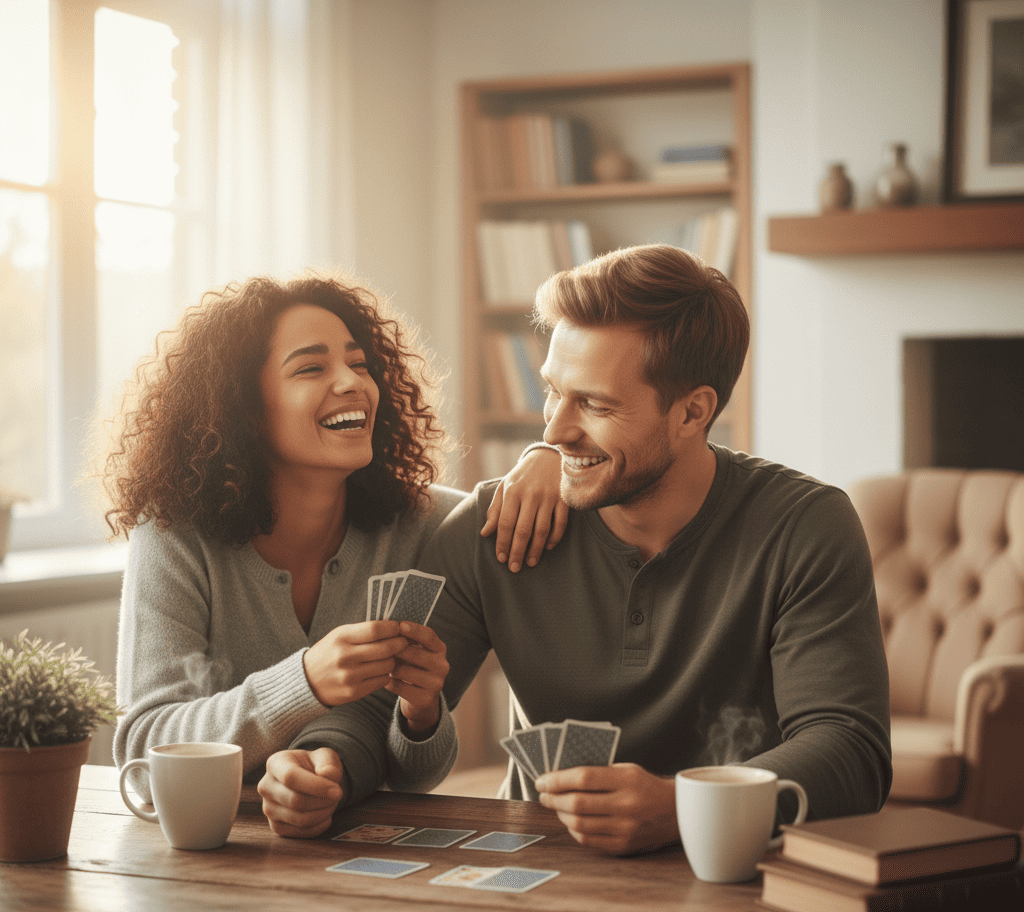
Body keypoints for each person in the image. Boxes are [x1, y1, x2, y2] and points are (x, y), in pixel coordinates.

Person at [401, 244, 891, 855]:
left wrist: (687, 806)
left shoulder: (805, 526)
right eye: (554, 391)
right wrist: (328, 760)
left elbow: (852, 754)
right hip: (538, 870)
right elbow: (380, 718)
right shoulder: (500, 521)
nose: (553, 430)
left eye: (595, 404)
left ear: (692, 412)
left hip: (733, 867)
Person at [105, 272, 563, 823]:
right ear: (245, 409)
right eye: (311, 368)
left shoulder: (430, 524)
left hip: (349, 834)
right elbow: (144, 751)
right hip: (215, 842)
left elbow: (415, 774)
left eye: (360, 364)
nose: (352, 382)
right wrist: (305, 682)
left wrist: (550, 455)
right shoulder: (174, 537)